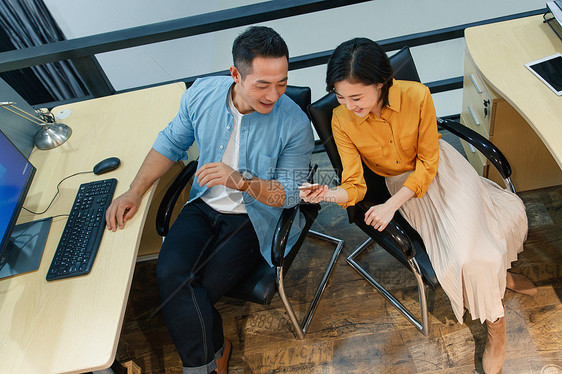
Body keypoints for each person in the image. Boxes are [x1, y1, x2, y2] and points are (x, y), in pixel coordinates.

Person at [300, 37, 536, 374]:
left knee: (491, 233)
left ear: (380, 84)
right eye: (340, 97)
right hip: (405, 189)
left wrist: (390, 206)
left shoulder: (416, 96)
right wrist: (325, 195)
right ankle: (497, 323)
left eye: (356, 96)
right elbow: (354, 186)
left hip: (443, 171)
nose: (348, 105)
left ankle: (496, 293)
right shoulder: (342, 120)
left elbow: (428, 163)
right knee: (468, 257)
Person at [105, 26, 313, 374]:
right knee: (170, 273)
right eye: (262, 84)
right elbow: (171, 143)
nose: (274, 94)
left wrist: (242, 181)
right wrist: (134, 191)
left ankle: (205, 363)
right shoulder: (202, 93)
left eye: (281, 82)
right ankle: (214, 355)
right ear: (235, 74)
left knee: (188, 291)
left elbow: (289, 195)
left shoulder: (295, 124)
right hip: (203, 205)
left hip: (252, 217)